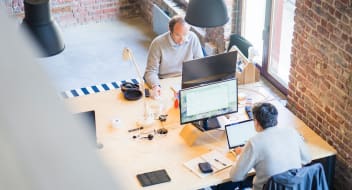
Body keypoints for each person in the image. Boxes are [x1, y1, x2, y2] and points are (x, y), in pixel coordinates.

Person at [229, 102, 311, 190]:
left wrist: (239, 155)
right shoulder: (292, 132)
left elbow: (235, 177)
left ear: (256, 122)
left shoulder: (254, 142)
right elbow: (307, 159)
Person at [144, 15, 203, 98]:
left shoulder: (192, 38)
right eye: (177, 35)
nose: (182, 40)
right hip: (164, 82)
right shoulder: (157, 43)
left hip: (186, 80)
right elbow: (150, 71)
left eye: (185, 34)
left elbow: (200, 64)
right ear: (170, 30)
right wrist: (155, 85)